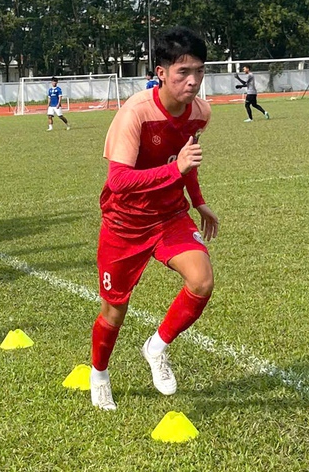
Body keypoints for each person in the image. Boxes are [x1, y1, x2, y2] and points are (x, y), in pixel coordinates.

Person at [88, 27, 220, 411]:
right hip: (124, 222)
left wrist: (198, 201)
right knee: (115, 309)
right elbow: (119, 181)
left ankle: (156, 346)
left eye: (199, 71)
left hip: (170, 216)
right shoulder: (135, 113)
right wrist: (175, 171)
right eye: (183, 72)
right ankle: (99, 372)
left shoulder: (201, 112)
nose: (193, 81)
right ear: (160, 72)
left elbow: (187, 162)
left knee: (202, 280)